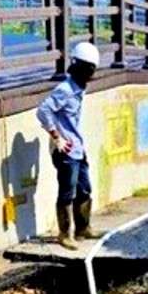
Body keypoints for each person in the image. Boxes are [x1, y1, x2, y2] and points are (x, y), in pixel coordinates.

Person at [36, 42, 102, 249]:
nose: (91, 74)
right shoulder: (65, 89)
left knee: (85, 188)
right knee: (67, 191)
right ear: (80, 67)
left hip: (77, 148)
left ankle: (84, 227)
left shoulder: (79, 88)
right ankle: (65, 234)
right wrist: (57, 137)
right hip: (65, 151)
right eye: (89, 70)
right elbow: (43, 110)